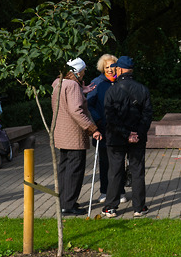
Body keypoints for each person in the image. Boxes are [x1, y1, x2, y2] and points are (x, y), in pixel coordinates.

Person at [101, 56, 152, 218]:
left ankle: (111, 207)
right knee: (137, 171)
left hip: (116, 138)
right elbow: (147, 114)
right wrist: (138, 133)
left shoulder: (112, 90)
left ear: (120, 70)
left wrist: (125, 133)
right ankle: (139, 207)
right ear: (131, 70)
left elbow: (110, 117)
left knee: (115, 171)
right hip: (137, 138)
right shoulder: (143, 89)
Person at [51, 57, 102, 216]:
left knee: (64, 168)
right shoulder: (73, 85)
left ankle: (63, 201)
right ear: (78, 72)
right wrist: (92, 129)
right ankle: (69, 204)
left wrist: (82, 90)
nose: (84, 73)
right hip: (73, 134)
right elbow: (76, 111)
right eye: (83, 71)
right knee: (75, 170)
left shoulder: (58, 82)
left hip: (61, 133)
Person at [86, 54, 126, 204]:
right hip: (102, 128)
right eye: (106, 67)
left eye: (112, 66)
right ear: (102, 68)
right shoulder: (96, 83)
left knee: (119, 161)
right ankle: (104, 191)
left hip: (119, 129)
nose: (110, 69)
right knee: (104, 162)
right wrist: (98, 119)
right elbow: (89, 104)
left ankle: (120, 191)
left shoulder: (121, 82)